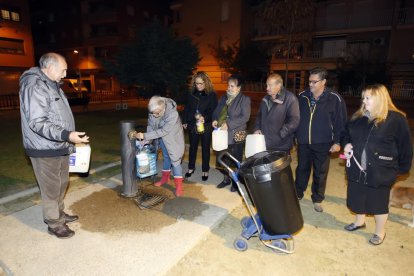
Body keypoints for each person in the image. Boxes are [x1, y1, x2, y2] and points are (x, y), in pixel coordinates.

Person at [19, 52, 90, 239]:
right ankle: (54, 223)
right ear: (49, 68)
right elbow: (37, 121)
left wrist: (67, 137)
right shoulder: (34, 85)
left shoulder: (52, 85)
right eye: (63, 69)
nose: (65, 74)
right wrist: (67, 135)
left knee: (62, 183)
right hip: (43, 147)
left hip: (59, 144)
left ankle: (59, 213)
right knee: (51, 187)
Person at [341, 84, 412, 245]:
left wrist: (400, 170)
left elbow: (405, 147)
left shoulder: (396, 119)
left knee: (378, 202)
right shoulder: (358, 117)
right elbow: (345, 134)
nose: (364, 101)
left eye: (368, 98)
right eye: (363, 98)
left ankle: (380, 232)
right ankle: (359, 222)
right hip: (358, 166)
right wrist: (346, 144)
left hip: (381, 169)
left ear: (380, 98)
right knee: (357, 197)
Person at [295, 67, 347, 212]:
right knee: (302, 169)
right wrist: (295, 136)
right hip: (304, 141)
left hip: (323, 142)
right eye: (309, 81)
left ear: (324, 81)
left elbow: (340, 122)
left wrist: (337, 142)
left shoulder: (334, 98)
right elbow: (296, 118)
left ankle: (317, 198)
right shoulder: (302, 96)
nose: (310, 84)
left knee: (320, 171)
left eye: (314, 82)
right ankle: (297, 193)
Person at [132, 96, 185, 197]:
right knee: (166, 157)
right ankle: (165, 178)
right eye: (152, 113)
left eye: (157, 112)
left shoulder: (173, 113)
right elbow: (151, 126)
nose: (154, 115)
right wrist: (147, 139)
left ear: (164, 107)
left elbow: (165, 130)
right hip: (161, 136)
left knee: (175, 159)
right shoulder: (153, 111)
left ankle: (179, 186)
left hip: (173, 137)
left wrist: (145, 135)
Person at [212, 74, 251, 192]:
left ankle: (235, 182)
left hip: (236, 134)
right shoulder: (224, 98)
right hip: (223, 134)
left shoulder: (244, 99)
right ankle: (226, 179)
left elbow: (245, 117)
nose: (229, 88)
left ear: (239, 88)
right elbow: (217, 111)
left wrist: (228, 124)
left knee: (235, 159)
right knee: (223, 157)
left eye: (232, 86)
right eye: (228, 85)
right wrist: (215, 119)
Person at [182, 72, 218, 181]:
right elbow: (187, 108)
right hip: (193, 124)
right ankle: (191, 168)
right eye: (197, 84)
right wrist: (184, 120)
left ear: (206, 82)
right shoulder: (191, 93)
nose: (199, 86)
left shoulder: (212, 94)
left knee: (205, 148)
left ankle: (205, 170)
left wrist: (205, 118)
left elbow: (214, 111)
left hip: (206, 125)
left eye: (201, 83)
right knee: (193, 147)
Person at [253, 73, 300, 153]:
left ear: (279, 85)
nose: (267, 88)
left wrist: (281, 134)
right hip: (264, 143)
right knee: (265, 165)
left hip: (281, 145)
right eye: (266, 85)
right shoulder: (265, 99)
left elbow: (294, 120)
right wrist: (257, 128)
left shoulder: (290, 99)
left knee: (282, 165)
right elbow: (259, 116)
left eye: (270, 85)